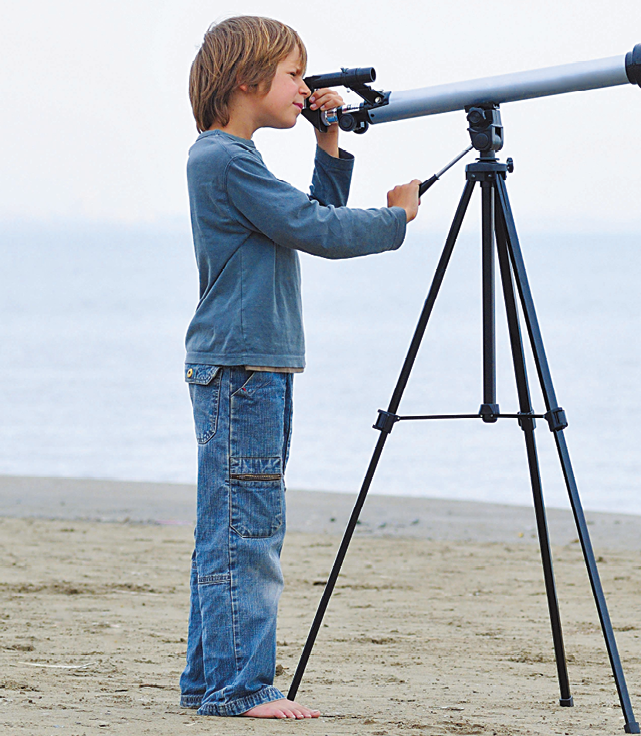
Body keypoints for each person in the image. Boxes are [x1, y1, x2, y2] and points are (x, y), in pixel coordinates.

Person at [180, 16, 421, 719]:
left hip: (247, 367)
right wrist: (396, 219)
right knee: (249, 532)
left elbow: (309, 214)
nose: (304, 87)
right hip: (244, 370)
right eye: (293, 74)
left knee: (225, 529)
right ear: (247, 81)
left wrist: (329, 143)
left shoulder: (228, 160)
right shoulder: (227, 159)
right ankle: (241, 687)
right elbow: (317, 231)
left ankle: (210, 681)